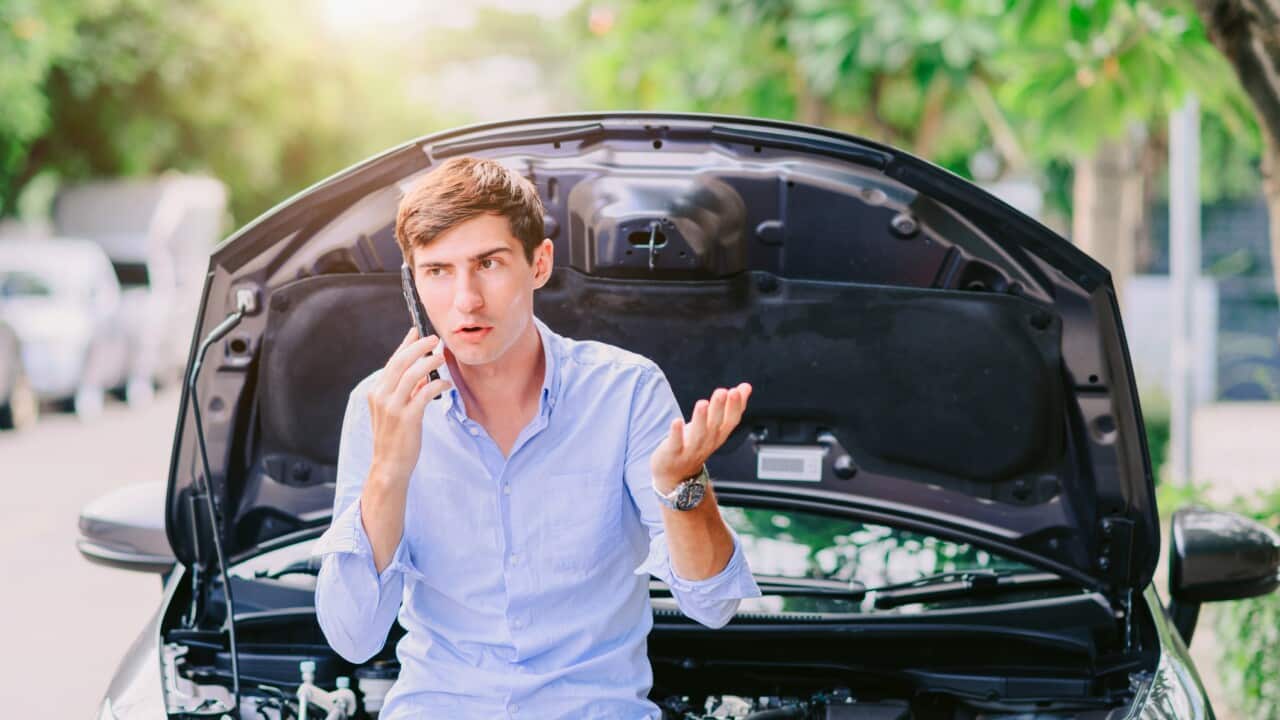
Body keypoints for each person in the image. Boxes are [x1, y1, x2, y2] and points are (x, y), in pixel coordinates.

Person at [313, 156, 762, 719]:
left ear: (539, 263)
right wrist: (389, 472)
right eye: (437, 271)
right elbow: (352, 638)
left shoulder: (626, 392)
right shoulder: (380, 406)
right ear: (412, 282)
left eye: (489, 263)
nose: (466, 300)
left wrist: (682, 486)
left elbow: (714, 604)